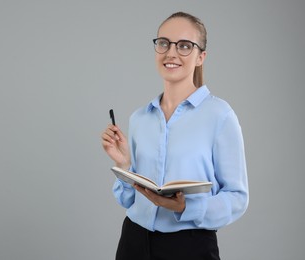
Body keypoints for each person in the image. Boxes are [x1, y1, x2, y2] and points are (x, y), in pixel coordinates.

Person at [101, 11, 249, 260]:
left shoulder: (220, 115)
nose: (171, 53)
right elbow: (128, 200)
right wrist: (123, 165)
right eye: (163, 43)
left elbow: (237, 198)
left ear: (201, 57)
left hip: (188, 247)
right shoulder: (140, 118)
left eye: (184, 46)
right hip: (133, 242)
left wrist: (186, 206)